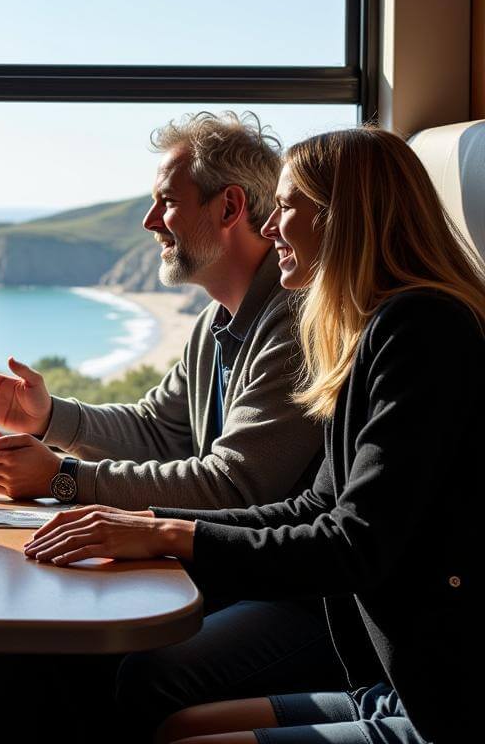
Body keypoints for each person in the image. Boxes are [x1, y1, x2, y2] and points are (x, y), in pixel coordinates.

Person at [25, 127, 481, 744]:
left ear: (345, 218)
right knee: (174, 726)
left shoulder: (423, 330)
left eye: (289, 208)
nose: (270, 229)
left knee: (159, 696)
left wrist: (150, 525)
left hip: (439, 701)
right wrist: (140, 523)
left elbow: (353, 543)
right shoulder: (368, 331)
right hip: (389, 681)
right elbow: (314, 506)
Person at [0, 113, 340, 734]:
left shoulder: (293, 325)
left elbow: (235, 487)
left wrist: (67, 481)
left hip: (298, 594)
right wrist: (52, 417)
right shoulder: (215, 324)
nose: (150, 221)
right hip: (235, 567)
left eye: (166, 202)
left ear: (229, 207)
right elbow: (161, 429)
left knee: (144, 671)